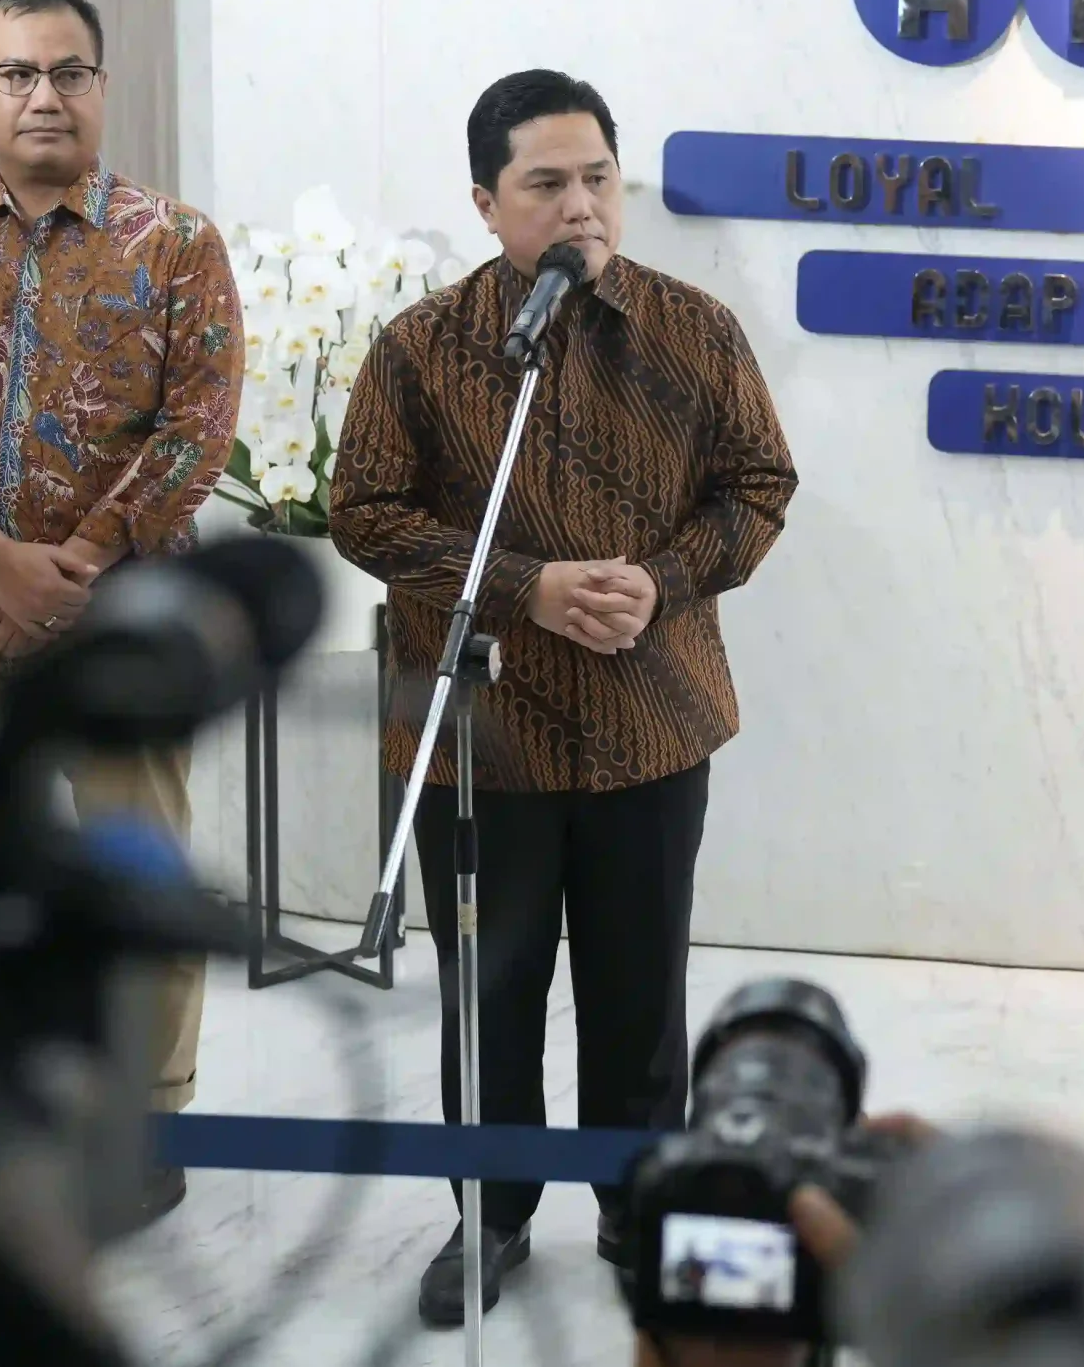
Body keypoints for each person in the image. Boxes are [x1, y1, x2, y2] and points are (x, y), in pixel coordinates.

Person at [328, 68, 798, 1326]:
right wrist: (522, 589)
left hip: (653, 720)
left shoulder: (694, 331)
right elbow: (363, 511)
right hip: (481, 741)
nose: (581, 205)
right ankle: (491, 1214)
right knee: (490, 997)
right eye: (546, 184)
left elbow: (758, 486)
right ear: (487, 203)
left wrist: (664, 580)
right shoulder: (423, 348)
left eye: (598, 178)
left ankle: (642, 1211)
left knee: (640, 995)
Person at [0, 0, 243, 1226]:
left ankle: (144, 1121)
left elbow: (199, 427)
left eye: (68, 72)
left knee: (133, 873)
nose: (44, 97)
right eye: (16, 72)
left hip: (130, 621)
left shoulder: (175, 243)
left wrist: (79, 564)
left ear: (102, 86)